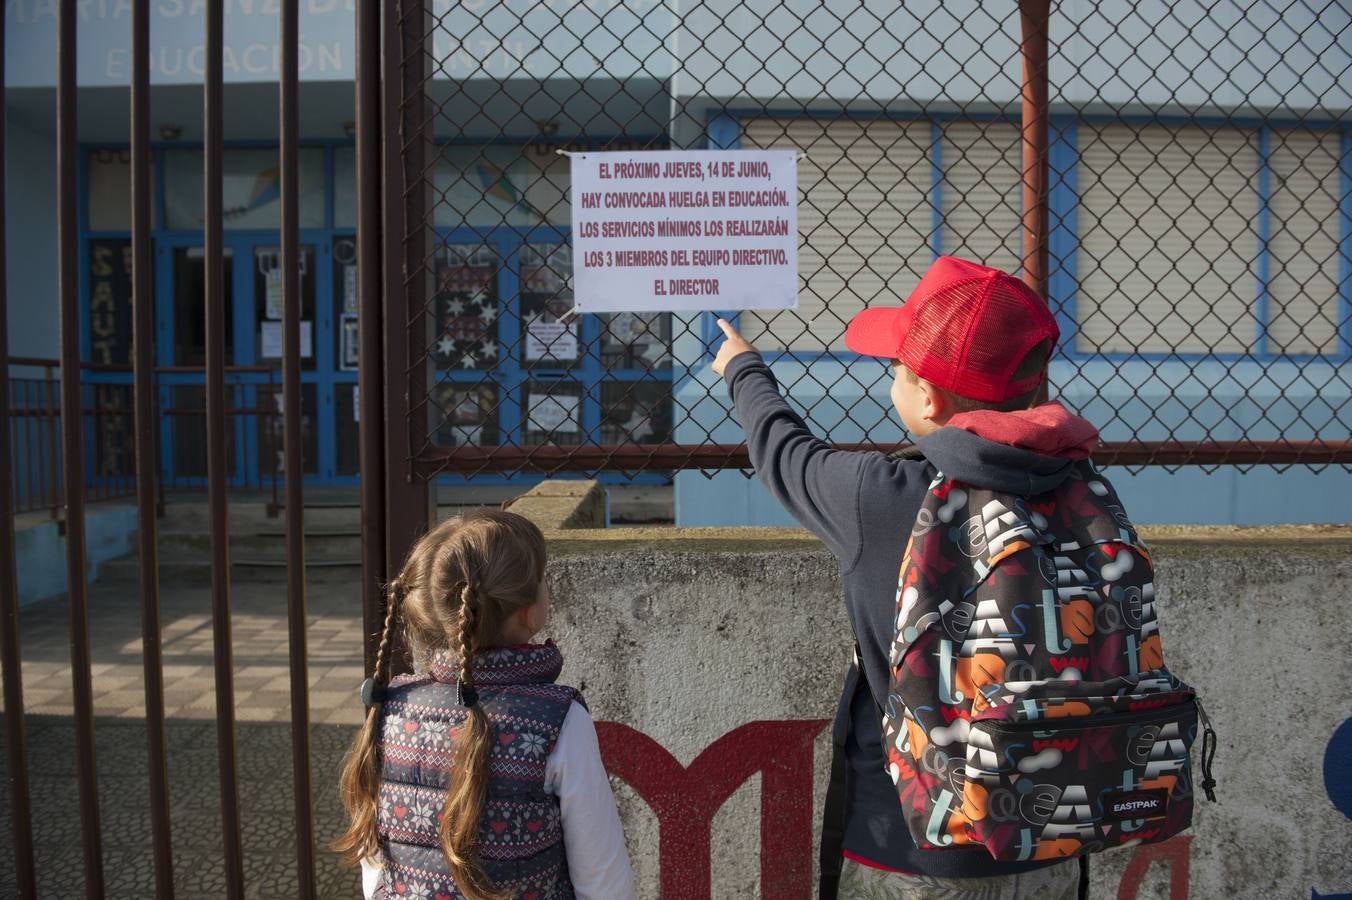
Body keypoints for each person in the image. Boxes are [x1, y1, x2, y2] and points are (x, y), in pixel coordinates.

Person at [712, 256, 1093, 899]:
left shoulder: (884, 498)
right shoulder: (1080, 493)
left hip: (912, 846)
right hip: (1050, 834)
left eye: (897, 370)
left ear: (929, 398)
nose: (891, 381)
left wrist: (743, 369)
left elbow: (784, 452)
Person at [333, 509, 636, 900]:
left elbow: (376, 868)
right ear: (529, 612)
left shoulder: (391, 707)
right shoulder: (559, 720)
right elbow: (604, 881)